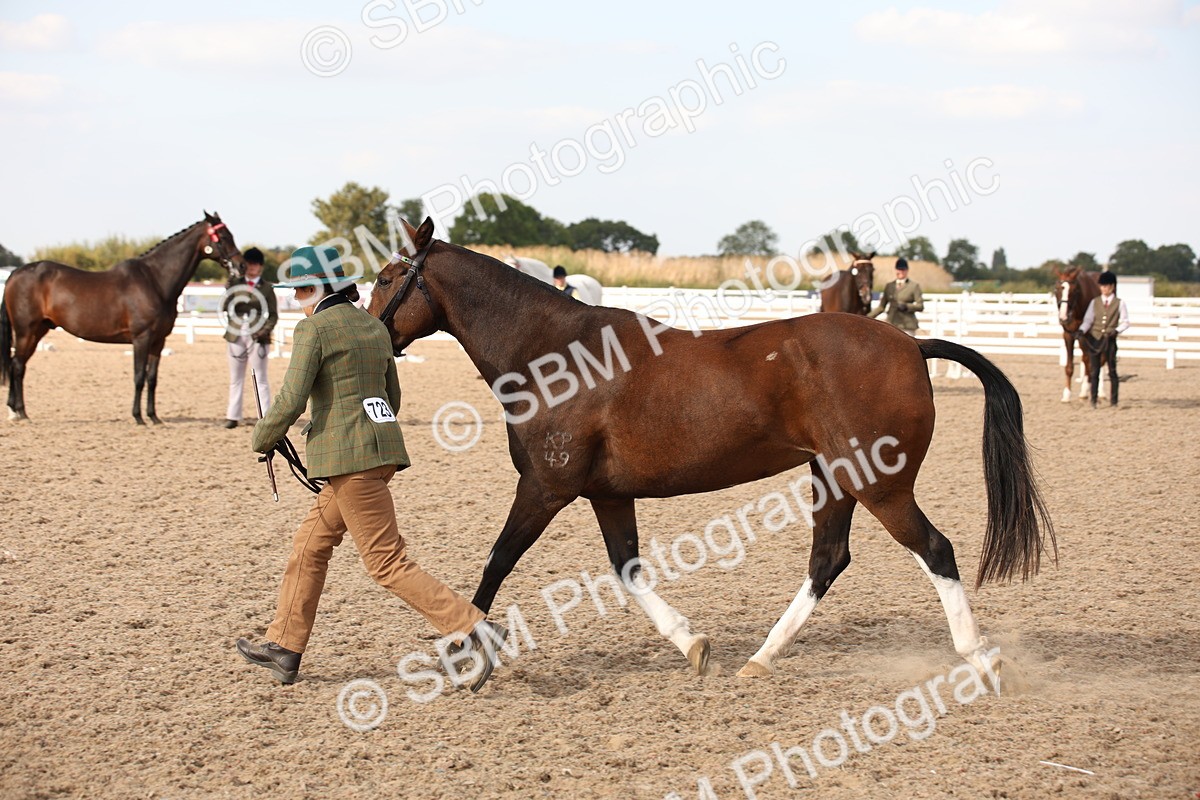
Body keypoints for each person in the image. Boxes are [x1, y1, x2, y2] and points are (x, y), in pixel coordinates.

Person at [236, 245, 506, 690]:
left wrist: (263, 438)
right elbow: (391, 398)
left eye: (301, 289)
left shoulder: (315, 331)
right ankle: (284, 645)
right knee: (309, 547)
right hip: (378, 455)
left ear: (318, 288)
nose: (297, 298)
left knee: (386, 563)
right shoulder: (372, 326)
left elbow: (290, 399)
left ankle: (475, 629)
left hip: (351, 463)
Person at [222, 247, 277, 429]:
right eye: (250, 263)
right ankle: (233, 416)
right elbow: (225, 307)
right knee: (235, 377)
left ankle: (265, 416)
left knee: (260, 376)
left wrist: (265, 331)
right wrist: (227, 291)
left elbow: (273, 315)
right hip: (236, 333)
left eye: (256, 264)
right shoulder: (235, 283)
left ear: (260, 266)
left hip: (257, 335)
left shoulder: (267, 288)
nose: (253, 267)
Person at [1079, 270, 1129, 407]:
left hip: (1110, 340)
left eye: (1107, 286)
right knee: (1094, 370)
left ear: (1112, 287)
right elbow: (1088, 320)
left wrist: (1116, 331)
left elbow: (1125, 322)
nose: (1104, 289)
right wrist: (1081, 330)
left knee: (1112, 371)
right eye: (1102, 286)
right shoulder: (1094, 302)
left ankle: (1114, 401)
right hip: (1095, 339)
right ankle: (1093, 400)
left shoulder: (1120, 303)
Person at [869, 258, 923, 335]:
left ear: (907, 270)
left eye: (903, 270)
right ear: (896, 270)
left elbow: (920, 306)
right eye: (898, 269)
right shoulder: (889, 286)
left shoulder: (914, 286)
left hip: (907, 325)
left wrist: (907, 306)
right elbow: (881, 307)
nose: (900, 272)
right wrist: (866, 317)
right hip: (892, 324)